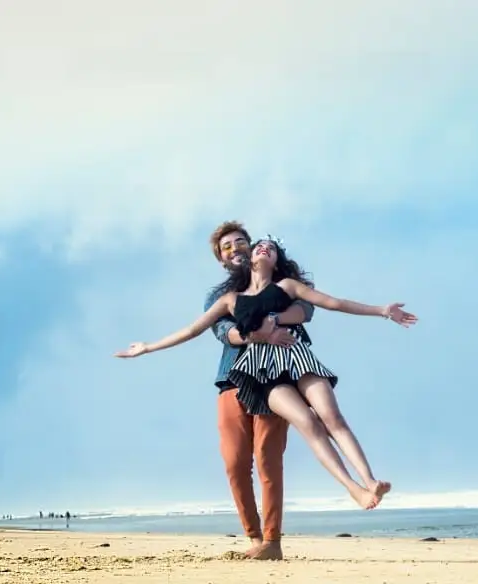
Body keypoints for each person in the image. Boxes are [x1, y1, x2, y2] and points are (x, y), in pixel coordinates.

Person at [114, 230, 418, 512]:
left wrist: (381, 310)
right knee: (307, 423)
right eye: (261, 245)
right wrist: (148, 347)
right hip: (261, 371)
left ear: (276, 261)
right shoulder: (229, 300)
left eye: (270, 248)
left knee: (332, 417)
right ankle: (354, 489)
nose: (264, 248)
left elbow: (333, 303)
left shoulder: (287, 286)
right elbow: (194, 330)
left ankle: (370, 480)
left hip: (296, 357)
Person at [204, 221, 315, 561]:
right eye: (227, 246)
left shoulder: (280, 283)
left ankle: (272, 541)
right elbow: (223, 332)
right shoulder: (219, 296)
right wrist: (253, 334)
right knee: (235, 463)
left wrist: (276, 322)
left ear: (253, 250)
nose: (235, 248)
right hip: (232, 380)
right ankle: (253, 536)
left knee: (269, 460)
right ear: (222, 260)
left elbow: (307, 310)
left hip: (271, 379)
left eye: (241, 242)